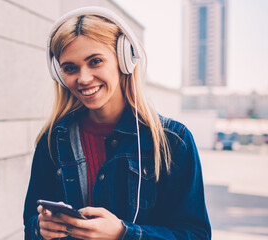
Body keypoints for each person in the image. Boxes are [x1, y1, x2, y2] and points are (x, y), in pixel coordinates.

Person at [23, 6, 211, 240]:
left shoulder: (173, 140)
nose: (83, 78)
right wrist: (40, 228)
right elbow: (30, 224)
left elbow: (196, 234)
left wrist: (124, 233)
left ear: (124, 60)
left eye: (95, 61)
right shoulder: (53, 140)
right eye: (70, 68)